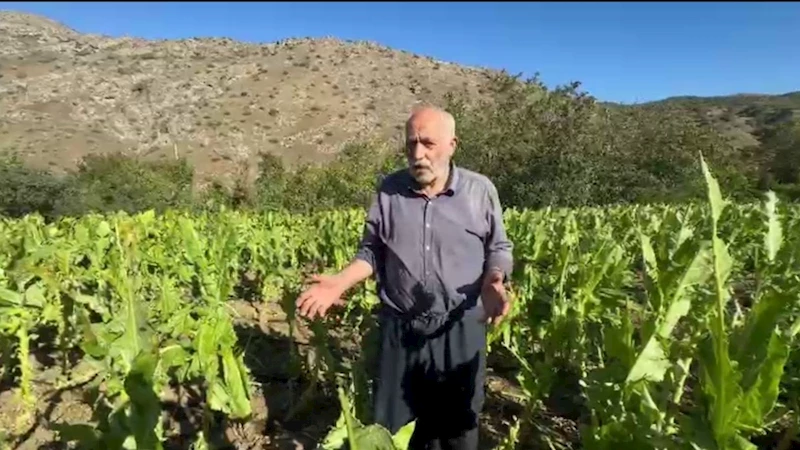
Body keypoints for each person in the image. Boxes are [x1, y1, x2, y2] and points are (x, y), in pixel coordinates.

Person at [295, 104, 514, 450]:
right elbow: (372, 252)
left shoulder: (479, 191)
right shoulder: (389, 190)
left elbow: (499, 247)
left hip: (460, 326)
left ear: (452, 145)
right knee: (397, 428)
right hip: (401, 328)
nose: (417, 154)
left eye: (427, 144)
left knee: (457, 427)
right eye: (410, 144)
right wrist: (341, 281)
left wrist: (494, 281)